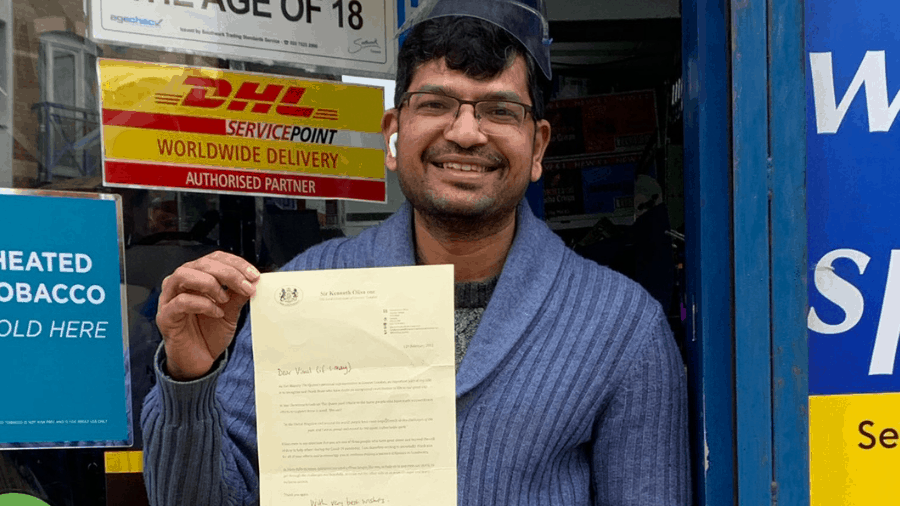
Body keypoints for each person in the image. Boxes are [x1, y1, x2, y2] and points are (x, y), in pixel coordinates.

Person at [141, 1, 690, 504]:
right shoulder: (299, 297)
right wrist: (191, 379)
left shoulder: (621, 327)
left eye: (500, 110)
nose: (467, 133)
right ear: (393, 134)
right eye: (436, 103)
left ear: (539, 145)